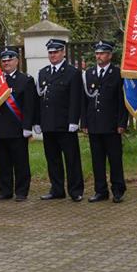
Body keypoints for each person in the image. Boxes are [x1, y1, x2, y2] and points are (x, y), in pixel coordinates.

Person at [34, 38, 84, 201]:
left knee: (71, 159)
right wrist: (37, 121)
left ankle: (75, 191)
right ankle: (57, 189)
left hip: (65, 124)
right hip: (48, 123)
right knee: (53, 159)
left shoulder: (72, 73)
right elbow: (39, 100)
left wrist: (74, 121)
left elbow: (75, 99)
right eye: (50, 52)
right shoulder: (43, 72)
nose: (53, 55)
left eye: (56, 52)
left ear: (63, 52)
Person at [81, 40, 128, 203]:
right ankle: (100, 190)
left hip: (112, 124)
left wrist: (122, 123)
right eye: (97, 53)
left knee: (115, 159)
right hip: (94, 123)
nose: (99, 56)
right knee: (97, 160)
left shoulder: (117, 73)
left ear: (109, 55)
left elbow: (122, 100)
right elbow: (84, 100)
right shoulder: (89, 74)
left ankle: (118, 190)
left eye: (102, 53)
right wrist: (84, 123)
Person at [0, 47, 36, 201]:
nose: (6, 63)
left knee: (20, 162)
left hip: (18, 128)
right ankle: (5, 191)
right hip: (0, 127)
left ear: (17, 61)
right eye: (3, 61)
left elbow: (29, 106)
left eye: (9, 60)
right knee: (3, 162)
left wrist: (27, 127)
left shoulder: (25, 80)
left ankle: (21, 191)